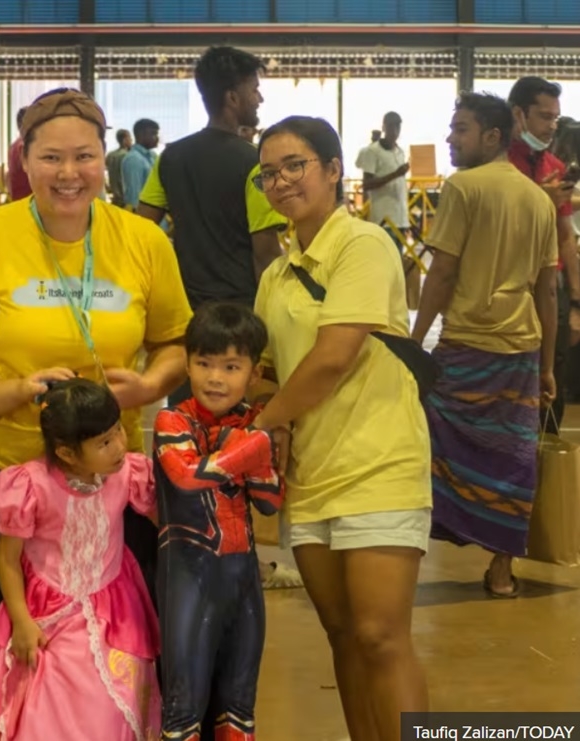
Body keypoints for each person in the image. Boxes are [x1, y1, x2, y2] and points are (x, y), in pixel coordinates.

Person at [0, 88, 191, 741]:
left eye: (85, 157)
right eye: (52, 157)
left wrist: (149, 383)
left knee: (117, 659)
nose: (70, 173)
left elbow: (177, 343)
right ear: (25, 160)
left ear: (106, 159)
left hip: (107, 491)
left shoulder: (144, 241)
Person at [251, 116, 431, 741]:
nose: (280, 181)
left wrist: (262, 426)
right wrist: (262, 399)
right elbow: (268, 367)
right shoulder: (276, 275)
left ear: (333, 170)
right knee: (343, 636)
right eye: (269, 172)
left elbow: (334, 355)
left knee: (382, 636)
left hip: (379, 463)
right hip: (310, 475)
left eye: (294, 165)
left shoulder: (363, 244)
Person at [412, 93, 558, 599]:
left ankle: (405, 554)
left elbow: (443, 271)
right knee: (514, 458)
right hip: (521, 351)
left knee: (429, 445)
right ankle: (501, 570)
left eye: (461, 129)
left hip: (467, 344)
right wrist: (547, 365)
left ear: (493, 137)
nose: (451, 139)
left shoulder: (463, 188)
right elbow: (547, 291)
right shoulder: (539, 199)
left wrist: (414, 340)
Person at [0, 378, 161, 741]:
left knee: (111, 711)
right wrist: (22, 623)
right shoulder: (29, 486)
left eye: (118, 431)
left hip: (115, 618)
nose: (119, 446)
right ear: (67, 453)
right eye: (104, 442)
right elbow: (7, 561)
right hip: (46, 621)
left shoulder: (128, 474)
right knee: (43, 715)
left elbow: (165, 521)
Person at [154, 302, 284, 741]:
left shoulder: (249, 423)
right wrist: (256, 444)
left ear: (253, 371)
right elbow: (187, 477)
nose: (215, 377)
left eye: (231, 366)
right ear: (187, 364)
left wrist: (253, 443)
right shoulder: (173, 419)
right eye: (204, 363)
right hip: (189, 577)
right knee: (182, 710)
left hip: (243, 579)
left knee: (239, 708)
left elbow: (270, 500)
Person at [137, 47, 283, 315]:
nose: (259, 98)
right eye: (254, 89)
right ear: (232, 98)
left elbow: (140, 230)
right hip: (240, 310)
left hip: (185, 307)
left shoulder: (170, 157)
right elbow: (266, 255)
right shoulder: (254, 163)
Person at [507, 76, 580, 431]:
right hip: (512, 288)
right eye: (544, 117)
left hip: (553, 289)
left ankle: (550, 471)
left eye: (555, 118)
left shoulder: (554, 166)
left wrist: (577, 302)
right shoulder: (499, 166)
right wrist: (540, 199)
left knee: (553, 382)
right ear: (518, 114)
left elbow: (566, 237)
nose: (551, 126)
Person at [355, 111, 410, 244]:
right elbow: (367, 184)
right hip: (383, 219)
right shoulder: (372, 151)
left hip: (401, 219)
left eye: (398, 127)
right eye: (391, 126)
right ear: (384, 127)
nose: (395, 131)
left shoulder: (400, 152)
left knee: (399, 260)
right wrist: (395, 174)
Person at [121, 118, 160, 209]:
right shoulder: (133, 159)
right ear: (141, 135)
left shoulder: (153, 156)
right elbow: (134, 197)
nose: (157, 138)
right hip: (144, 214)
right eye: (154, 134)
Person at [6, 107, 31, 201]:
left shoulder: (13, 147)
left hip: (18, 199)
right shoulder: (26, 145)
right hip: (29, 201)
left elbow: (8, 177)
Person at [105, 128, 131, 205]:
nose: (131, 141)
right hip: (124, 199)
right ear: (124, 140)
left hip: (115, 197)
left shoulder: (110, 155)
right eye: (130, 138)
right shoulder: (127, 156)